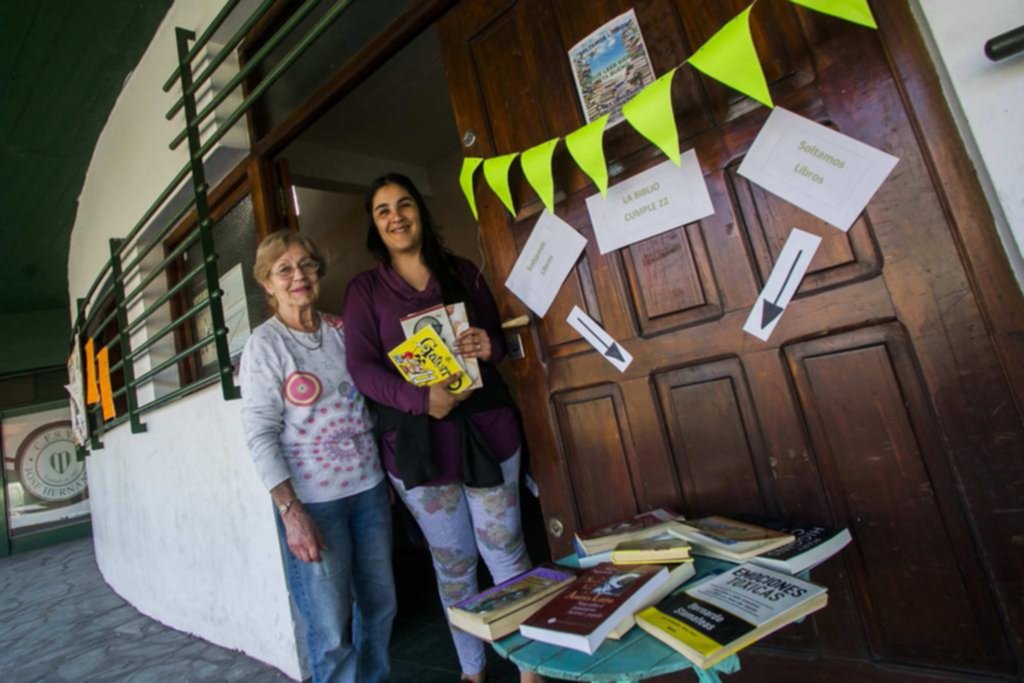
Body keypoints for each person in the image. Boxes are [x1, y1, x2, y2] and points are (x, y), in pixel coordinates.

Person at [343, 174, 539, 683]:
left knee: (507, 550)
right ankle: (472, 671)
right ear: (375, 223)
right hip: (418, 444)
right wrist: (417, 399)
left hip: (486, 429)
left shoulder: (462, 272)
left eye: (404, 204)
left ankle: (530, 669)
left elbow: (496, 340)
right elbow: (362, 368)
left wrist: (485, 346)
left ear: (421, 213)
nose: (395, 216)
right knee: (454, 565)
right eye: (383, 209)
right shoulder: (365, 290)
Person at [239, 230, 396, 683]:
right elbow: (259, 433)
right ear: (267, 284)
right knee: (330, 629)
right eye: (283, 269)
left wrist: (382, 478)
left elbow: (370, 401)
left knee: (380, 606)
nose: (298, 276)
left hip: (368, 492)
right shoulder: (265, 346)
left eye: (306, 264)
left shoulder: (342, 329)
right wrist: (290, 510)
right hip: (313, 505)